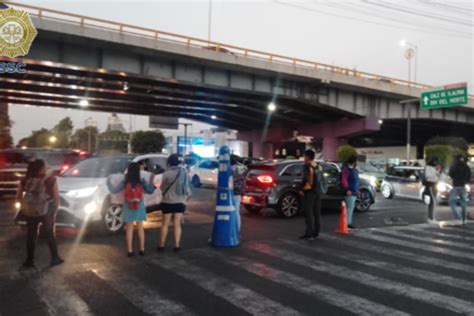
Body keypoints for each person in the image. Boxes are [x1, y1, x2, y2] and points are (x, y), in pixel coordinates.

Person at [16, 159, 63, 269]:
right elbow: (56, 198)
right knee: (50, 234)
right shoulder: (51, 179)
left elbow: (18, 196)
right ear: (41, 168)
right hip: (46, 210)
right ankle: (55, 258)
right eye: (45, 166)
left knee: (31, 235)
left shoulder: (25, 179)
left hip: (30, 211)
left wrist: (25, 206)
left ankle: (29, 261)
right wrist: (55, 209)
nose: (46, 168)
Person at [107, 162, 155, 257]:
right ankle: (142, 249)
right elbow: (150, 191)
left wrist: (108, 182)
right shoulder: (141, 181)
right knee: (140, 228)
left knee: (129, 229)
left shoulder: (125, 181)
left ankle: (130, 251)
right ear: (138, 171)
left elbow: (114, 190)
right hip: (139, 205)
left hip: (128, 205)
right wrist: (152, 182)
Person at [158, 154, 191, 252]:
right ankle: (177, 245)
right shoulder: (184, 172)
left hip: (167, 201)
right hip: (180, 201)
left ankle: (161, 245)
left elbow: (162, 187)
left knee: (165, 224)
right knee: (177, 224)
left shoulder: (167, 173)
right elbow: (186, 186)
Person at [299, 150, 326, 240]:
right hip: (318, 191)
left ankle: (309, 233)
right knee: (317, 213)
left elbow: (305, 179)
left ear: (307, 156)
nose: (304, 158)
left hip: (309, 191)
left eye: (305, 156)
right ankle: (316, 232)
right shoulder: (318, 165)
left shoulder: (306, 166)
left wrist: (301, 189)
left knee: (309, 213)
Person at [449, 155, 471, 224]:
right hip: (463, 185)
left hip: (456, 185)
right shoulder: (466, 166)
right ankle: (464, 220)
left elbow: (450, 174)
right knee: (464, 203)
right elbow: (469, 174)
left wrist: (454, 178)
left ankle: (458, 217)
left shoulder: (454, 165)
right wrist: (466, 181)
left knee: (452, 202)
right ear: (461, 158)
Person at [341, 155, 360, 229]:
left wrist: (357, 191)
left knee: (351, 207)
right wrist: (347, 189)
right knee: (350, 207)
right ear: (354, 161)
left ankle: (348, 222)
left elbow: (356, 181)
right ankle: (347, 223)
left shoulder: (353, 169)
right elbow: (344, 180)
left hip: (353, 191)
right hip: (350, 191)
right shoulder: (347, 169)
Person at [423, 156, 441, 224]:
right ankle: (431, 218)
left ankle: (431, 218)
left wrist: (438, 171)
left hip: (435, 185)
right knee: (433, 202)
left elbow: (438, 176)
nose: (436, 163)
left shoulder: (435, 167)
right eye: (436, 161)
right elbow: (428, 176)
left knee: (432, 202)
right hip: (430, 184)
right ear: (433, 161)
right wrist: (436, 172)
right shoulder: (428, 167)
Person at [231, 156, 245, 233]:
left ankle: (234, 230)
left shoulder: (232, 169)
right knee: (236, 211)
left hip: (233, 192)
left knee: (233, 212)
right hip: (238, 193)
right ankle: (237, 230)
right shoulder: (240, 169)